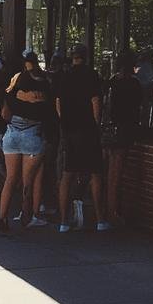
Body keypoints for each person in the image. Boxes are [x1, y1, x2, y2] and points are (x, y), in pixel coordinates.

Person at [0, 50, 51, 231]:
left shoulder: (13, 86)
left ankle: (2, 218)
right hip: (32, 132)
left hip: (12, 133)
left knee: (11, 179)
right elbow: (48, 111)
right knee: (29, 180)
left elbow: (5, 114)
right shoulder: (42, 87)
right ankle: (27, 214)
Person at [54, 44, 104, 233]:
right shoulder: (91, 75)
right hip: (88, 129)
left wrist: (65, 120)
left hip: (69, 130)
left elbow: (57, 102)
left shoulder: (65, 77)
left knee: (67, 174)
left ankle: (64, 221)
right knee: (95, 173)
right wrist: (96, 124)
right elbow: (95, 101)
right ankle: (100, 220)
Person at [100, 50, 143, 229]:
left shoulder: (111, 82)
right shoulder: (133, 84)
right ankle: (111, 213)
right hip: (123, 130)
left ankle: (106, 211)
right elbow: (139, 106)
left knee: (108, 173)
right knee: (115, 175)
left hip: (109, 130)